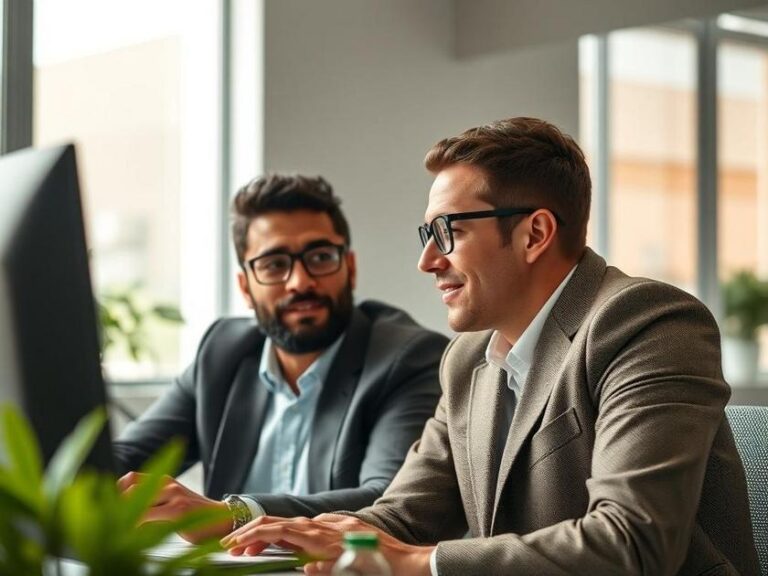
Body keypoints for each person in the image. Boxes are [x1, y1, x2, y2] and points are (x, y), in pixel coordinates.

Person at [221, 118, 759, 575]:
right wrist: (287, 538)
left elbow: (632, 542)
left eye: (448, 231)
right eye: (425, 235)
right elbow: (404, 514)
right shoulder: (467, 360)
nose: (428, 260)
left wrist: (417, 563)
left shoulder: (648, 324)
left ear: (534, 234)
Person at [114, 174, 448, 542]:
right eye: (274, 264)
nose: (300, 282)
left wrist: (234, 515)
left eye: (320, 257)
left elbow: (388, 502)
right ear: (245, 286)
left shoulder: (408, 357)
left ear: (349, 268)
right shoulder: (223, 351)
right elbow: (128, 457)